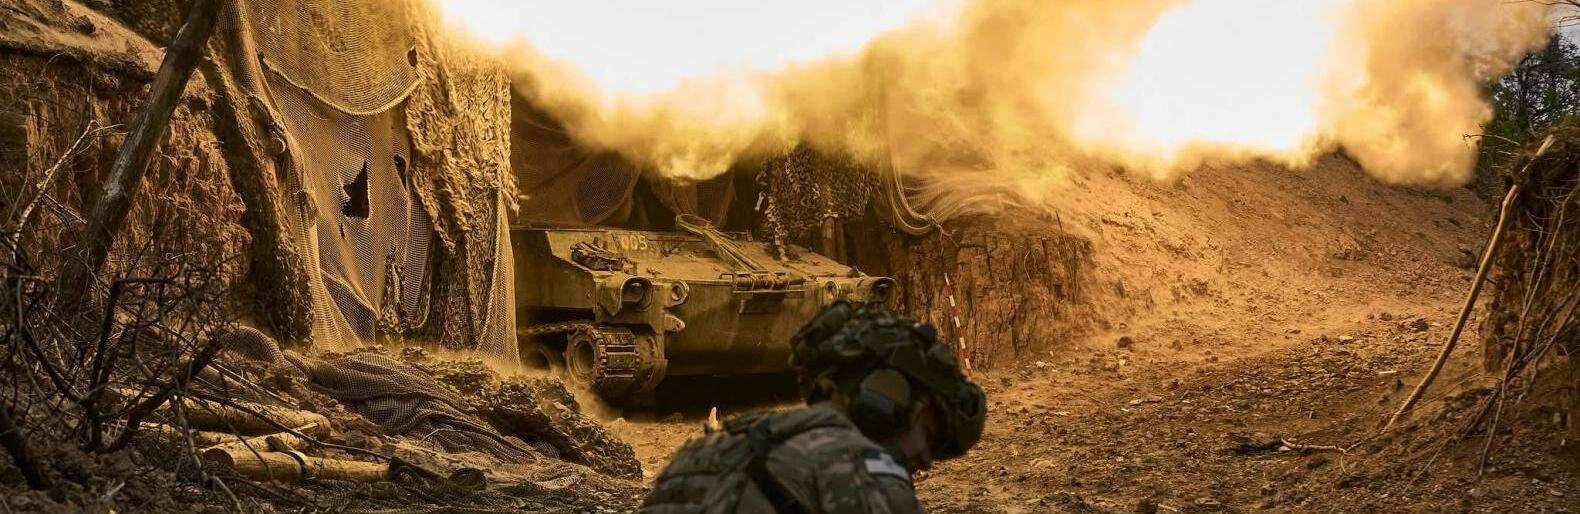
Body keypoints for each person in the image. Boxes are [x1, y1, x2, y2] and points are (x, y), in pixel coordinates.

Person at [640, 302, 987, 513]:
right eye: (929, 433)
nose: (927, 460)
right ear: (886, 397)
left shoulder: (708, 452)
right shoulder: (864, 473)